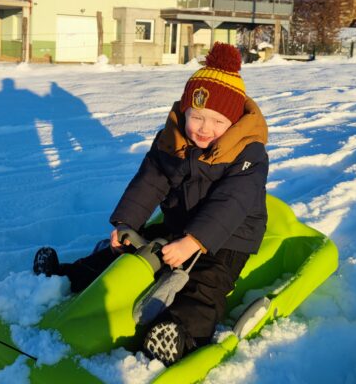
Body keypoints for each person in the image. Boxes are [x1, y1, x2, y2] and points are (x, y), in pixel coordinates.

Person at [33, 42, 269, 365]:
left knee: (205, 284)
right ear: (184, 111)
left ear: (233, 123)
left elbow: (232, 202)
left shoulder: (249, 154)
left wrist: (195, 242)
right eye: (196, 117)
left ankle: (178, 334)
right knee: (129, 254)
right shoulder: (173, 140)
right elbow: (151, 179)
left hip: (228, 238)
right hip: (179, 224)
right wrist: (126, 223)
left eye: (216, 121)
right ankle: (67, 277)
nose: (204, 128)